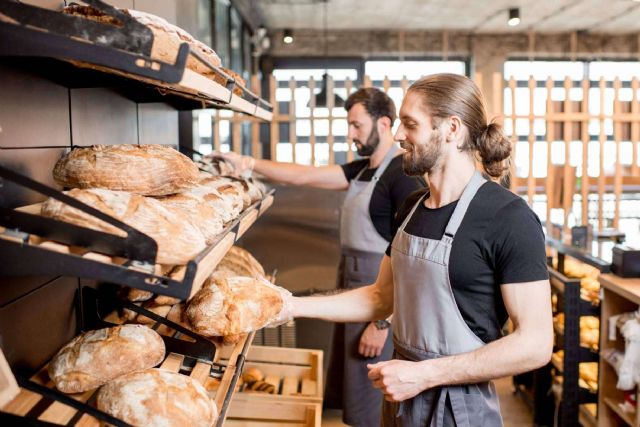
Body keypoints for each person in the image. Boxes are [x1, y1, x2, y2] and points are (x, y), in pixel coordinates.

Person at [270, 73, 553, 426]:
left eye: (410, 124)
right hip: (402, 399)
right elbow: (379, 297)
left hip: (459, 409)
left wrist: (426, 375)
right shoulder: (412, 207)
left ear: (452, 128)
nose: (399, 135)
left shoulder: (508, 218)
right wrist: (289, 305)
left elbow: (536, 343)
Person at [219, 87, 424, 426]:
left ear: (384, 124)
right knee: (353, 386)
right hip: (352, 287)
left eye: (357, 125)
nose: (351, 134)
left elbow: (411, 260)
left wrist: (382, 322)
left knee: (372, 393)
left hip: (378, 296)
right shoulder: (361, 170)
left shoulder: (401, 175)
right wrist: (249, 164)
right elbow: (306, 175)